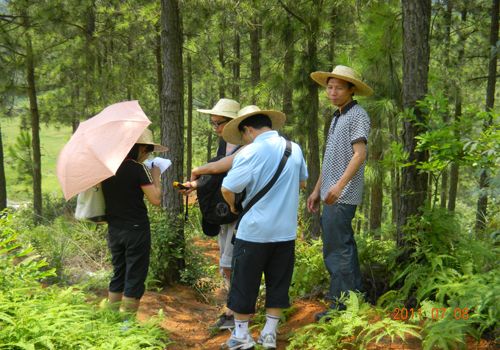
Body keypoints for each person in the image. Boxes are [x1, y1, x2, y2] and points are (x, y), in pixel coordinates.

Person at [220, 105, 308, 349]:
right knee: (278, 282)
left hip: (254, 232)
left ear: (248, 130)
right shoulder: (295, 149)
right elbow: (302, 183)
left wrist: (234, 207)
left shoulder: (250, 153)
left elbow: (228, 188)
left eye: (243, 136)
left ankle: (241, 336)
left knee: (244, 282)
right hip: (285, 231)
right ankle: (269, 333)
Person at [306, 65, 373, 321]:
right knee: (341, 247)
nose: (332, 92)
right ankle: (354, 300)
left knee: (337, 250)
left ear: (351, 90)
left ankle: (341, 308)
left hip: (342, 195)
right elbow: (330, 160)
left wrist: (339, 185)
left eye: (338, 88)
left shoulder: (357, 115)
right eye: (329, 87)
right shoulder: (337, 117)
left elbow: (360, 154)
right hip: (330, 193)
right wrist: (316, 190)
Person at [185, 98, 241, 330]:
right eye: (213, 123)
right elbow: (216, 174)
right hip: (222, 211)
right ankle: (233, 305)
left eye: (220, 124)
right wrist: (195, 186)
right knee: (224, 260)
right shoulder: (223, 145)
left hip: (239, 210)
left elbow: (226, 167)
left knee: (232, 261)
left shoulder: (244, 146)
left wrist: (200, 171)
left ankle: (234, 310)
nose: (216, 128)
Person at [101, 128, 167, 314]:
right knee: (135, 275)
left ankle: (111, 317)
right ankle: (127, 325)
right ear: (141, 149)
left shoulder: (108, 168)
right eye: (148, 151)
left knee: (119, 272)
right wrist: (156, 176)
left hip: (114, 228)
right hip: (136, 229)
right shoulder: (138, 169)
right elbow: (156, 199)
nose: (147, 156)